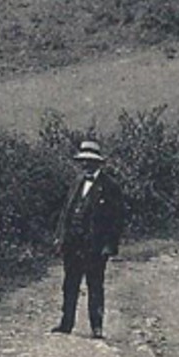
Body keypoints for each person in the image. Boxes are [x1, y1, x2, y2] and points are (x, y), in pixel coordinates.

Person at [51, 139, 127, 338]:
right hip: (73, 244)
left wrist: (110, 245)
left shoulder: (110, 186)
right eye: (82, 161)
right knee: (70, 284)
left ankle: (97, 327)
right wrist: (60, 238)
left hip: (95, 246)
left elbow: (117, 219)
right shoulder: (77, 182)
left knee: (95, 285)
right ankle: (66, 323)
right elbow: (65, 213)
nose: (85, 164)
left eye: (89, 161)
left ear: (97, 163)